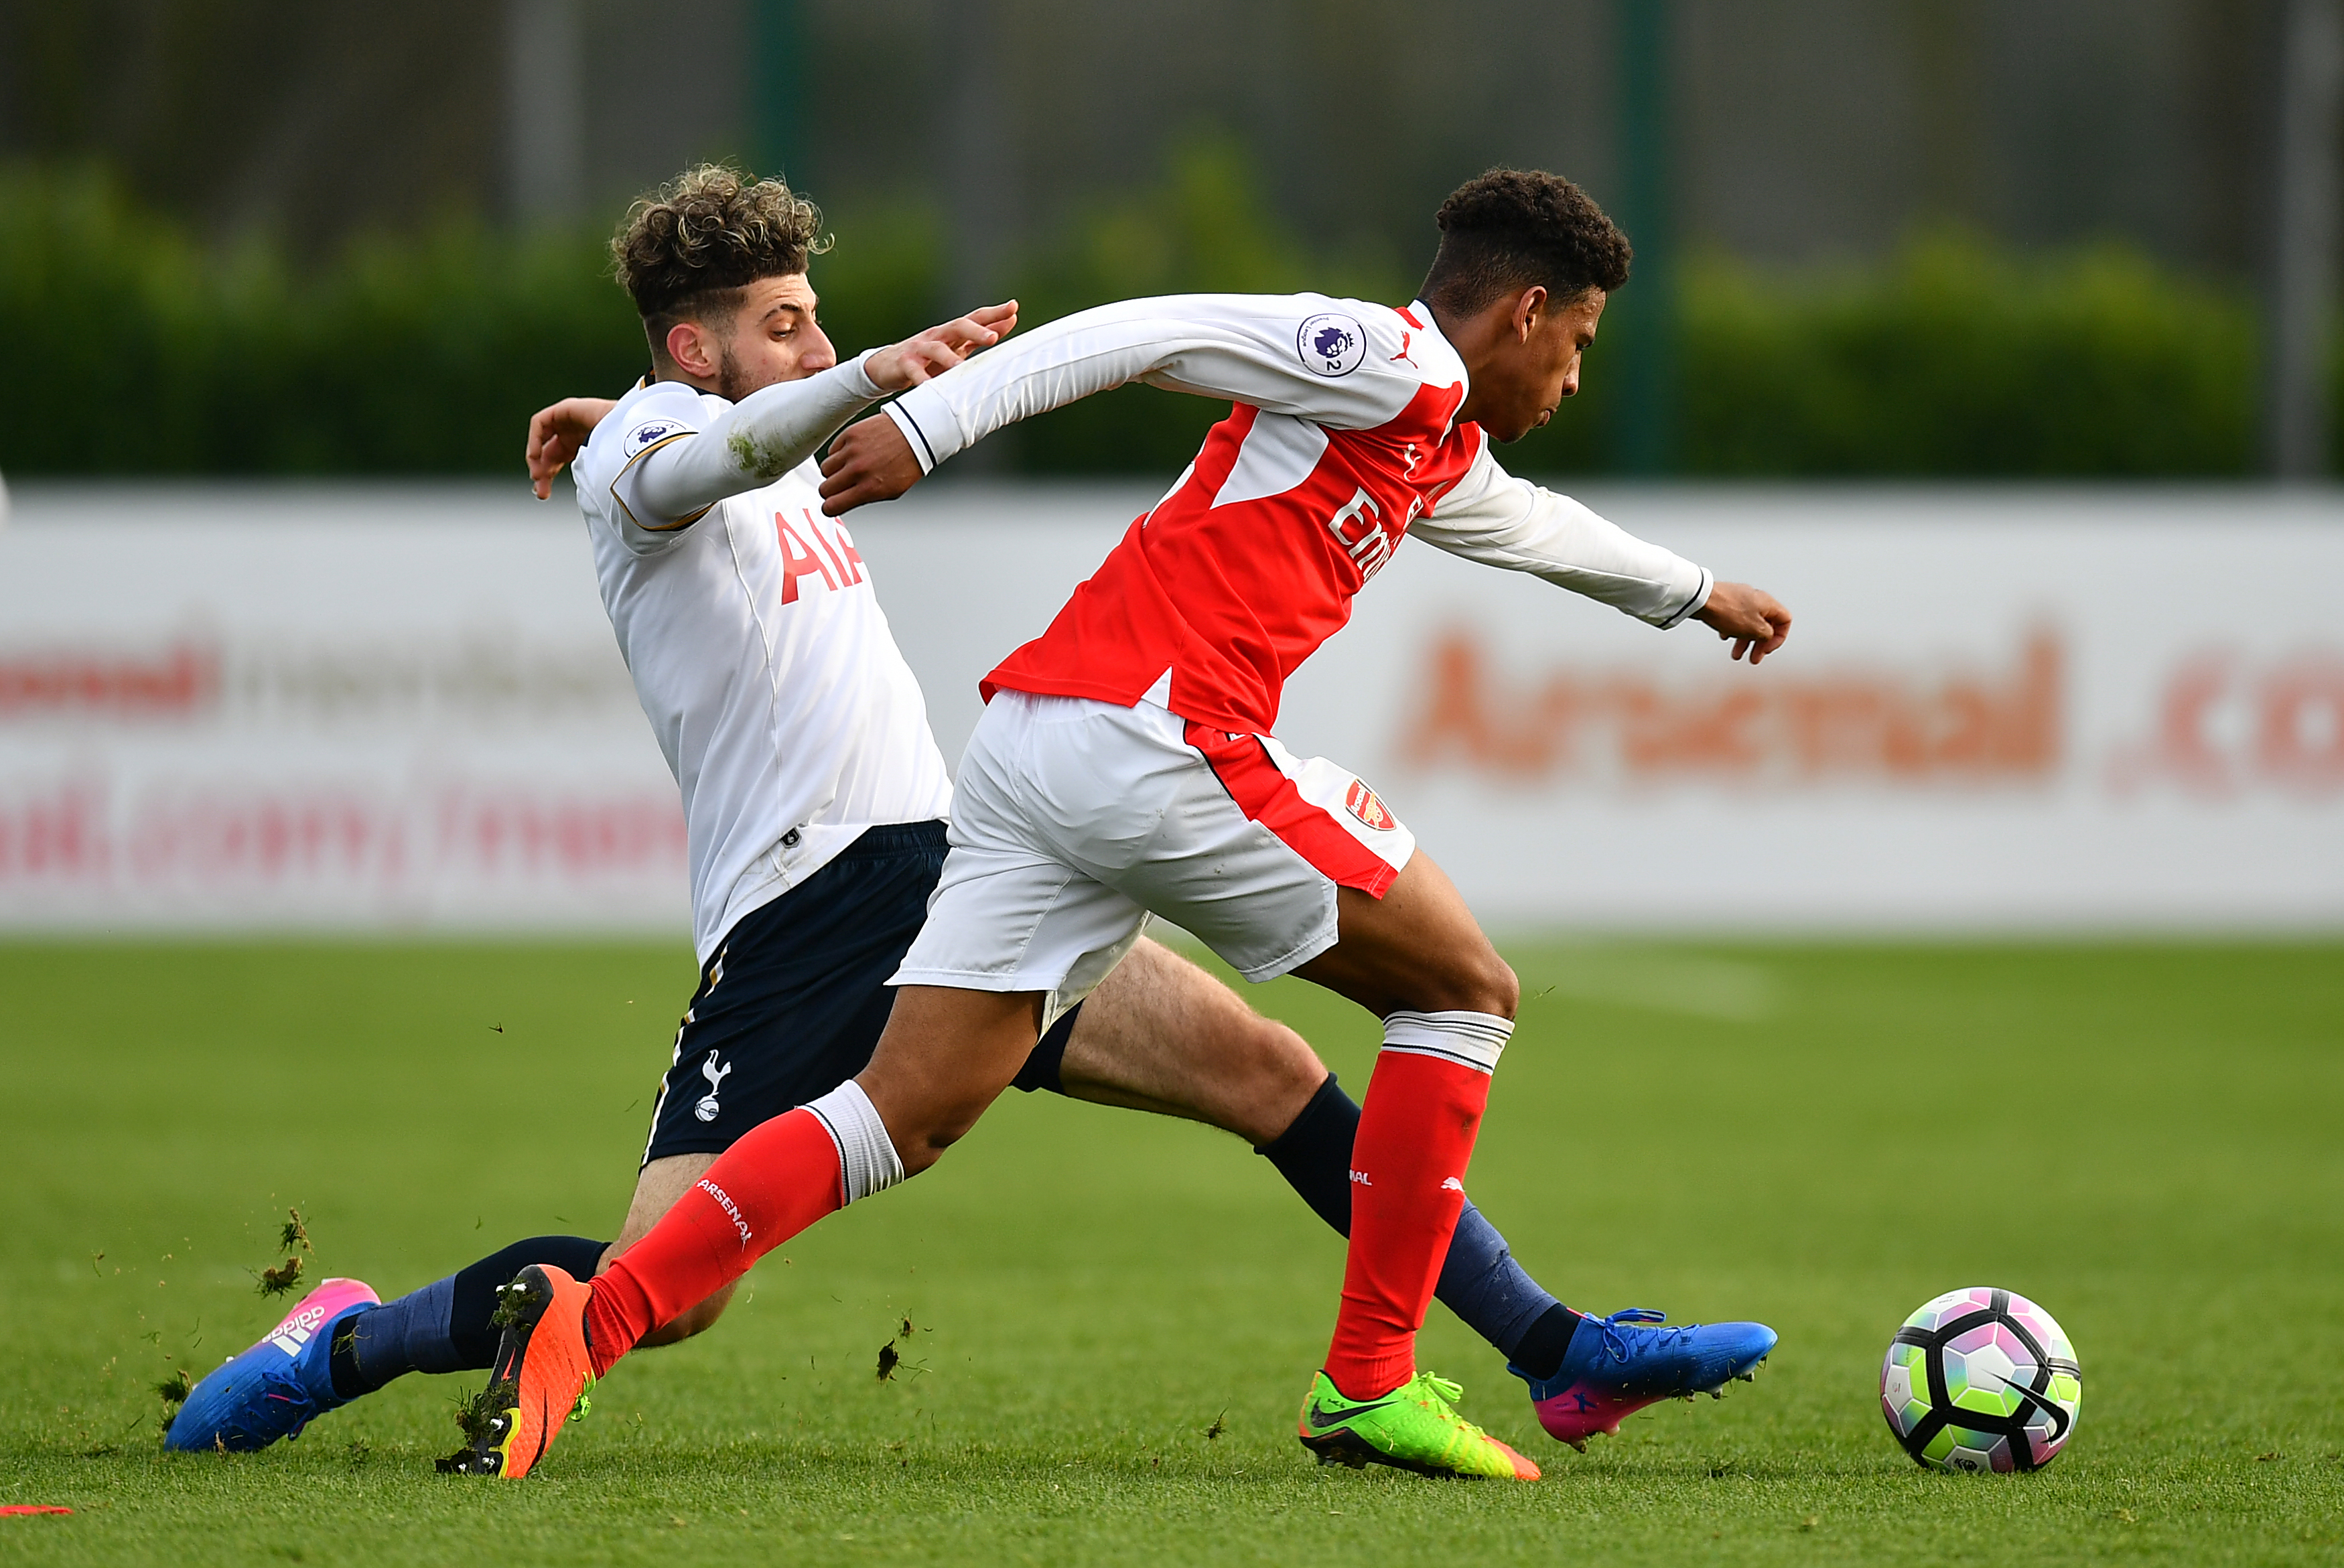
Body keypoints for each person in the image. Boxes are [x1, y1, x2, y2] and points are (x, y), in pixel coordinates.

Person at [165, 166, 1756, 1468]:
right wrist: (859, 388)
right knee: (682, 1285)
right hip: (797, 910)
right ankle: (345, 1341)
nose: (816, 344)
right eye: (781, 324)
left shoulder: (730, 435)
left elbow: (747, 438)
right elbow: (688, 458)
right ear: (694, 348)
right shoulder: (662, 448)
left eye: (822, 319)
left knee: (1271, 1071)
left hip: (940, 849)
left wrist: (1685, 594)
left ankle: (1552, 1345)